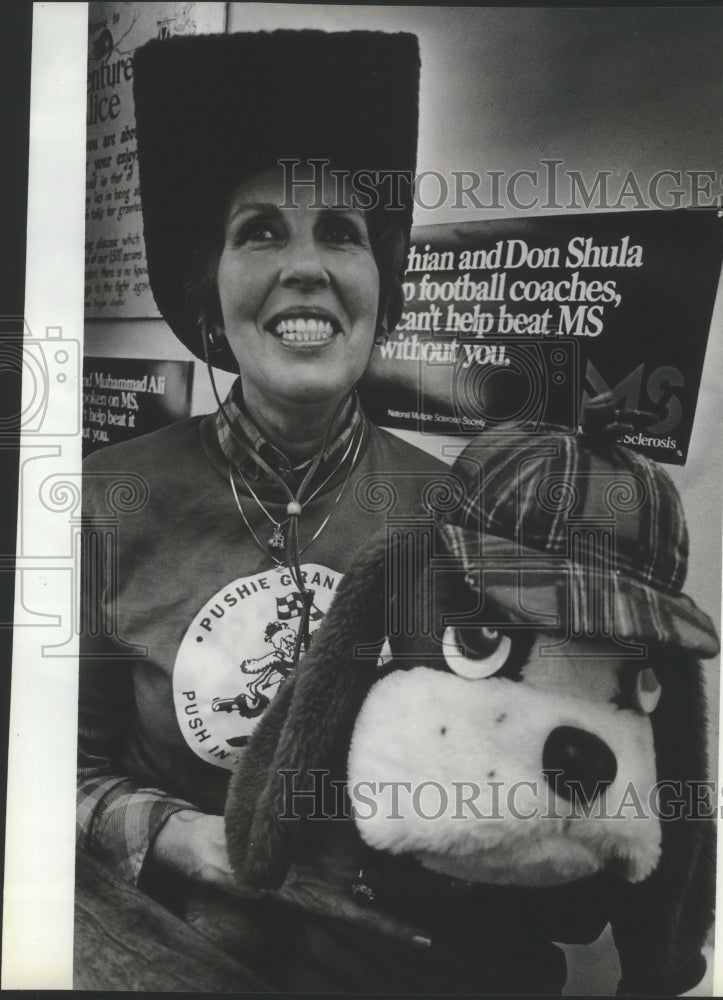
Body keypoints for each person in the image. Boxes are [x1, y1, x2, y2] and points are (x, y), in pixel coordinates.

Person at [76, 28, 445, 931]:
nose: (306, 266)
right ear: (212, 293)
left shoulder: (455, 513)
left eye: (341, 234)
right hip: (190, 950)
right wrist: (192, 842)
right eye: (262, 232)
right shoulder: (103, 503)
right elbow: (55, 774)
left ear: (380, 289)